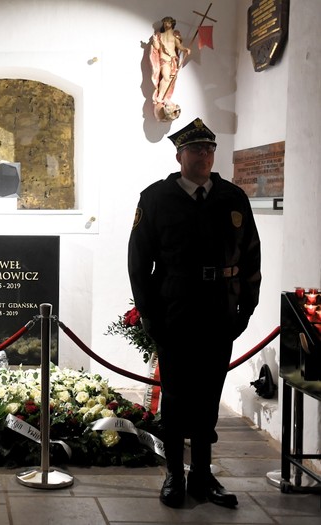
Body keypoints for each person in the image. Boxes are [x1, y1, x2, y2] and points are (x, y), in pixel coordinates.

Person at [128, 118, 261, 509]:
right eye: (196, 150)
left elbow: (251, 256)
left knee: (208, 397)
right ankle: (174, 474)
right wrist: (149, 314)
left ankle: (203, 476)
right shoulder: (155, 198)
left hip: (219, 310)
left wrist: (246, 308)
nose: (204, 156)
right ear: (179, 155)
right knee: (176, 397)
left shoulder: (233, 197)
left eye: (209, 149)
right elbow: (139, 263)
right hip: (176, 310)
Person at [150, 16, 191, 121]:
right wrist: (155, 41)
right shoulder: (160, 35)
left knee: (170, 80)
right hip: (164, 59)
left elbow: (179, 46)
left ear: (172, 23)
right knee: (165, 77)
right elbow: (157, 47)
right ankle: (160, 97)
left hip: (173, 59)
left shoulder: (175, 36)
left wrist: (185, 49)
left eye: (168, 22)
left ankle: (164, 97)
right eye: (164, 23)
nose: (165, 24)